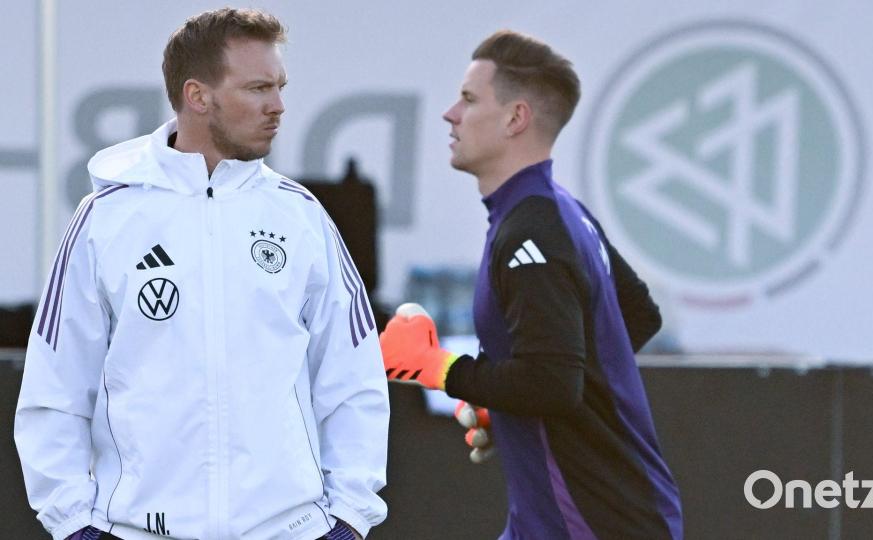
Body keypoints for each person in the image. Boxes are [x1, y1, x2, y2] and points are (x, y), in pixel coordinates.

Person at [15, 8, 388, 540]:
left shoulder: (301, 217)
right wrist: (74, 525)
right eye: (259, 87)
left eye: (280, 86)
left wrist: (349, 518)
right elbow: (54, 388)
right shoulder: (107, 217)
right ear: (197, 96)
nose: (278, 106)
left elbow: (354, 382)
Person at [380, 30, 683, 539]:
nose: (450, 113)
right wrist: (510, 406)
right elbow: (633, 318)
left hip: (593, 524)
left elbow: (551, 382)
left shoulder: (533, 228)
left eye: (470, 99)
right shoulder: (557, 212)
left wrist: (439, 368)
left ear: (515, 118)